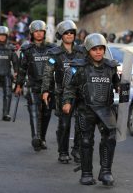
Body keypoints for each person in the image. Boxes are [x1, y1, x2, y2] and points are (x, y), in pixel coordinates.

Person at [62, 33, 120, 186]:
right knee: (86, 141)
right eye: (94, 49)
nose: (98, 52)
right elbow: (69, 87)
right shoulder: (78, 67)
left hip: (106, 110)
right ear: (88, 50)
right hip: (85, 109)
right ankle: (86, 173)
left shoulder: (111, 67)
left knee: (110, 139)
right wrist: (67, 102)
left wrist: (123, 88)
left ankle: (106, 172)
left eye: (101, 48)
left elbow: (117, 85)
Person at [42, 20, 85, 163]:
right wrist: (46, 91)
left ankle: (77, 150)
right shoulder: (54, 53)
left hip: (80, 92)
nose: (69, 35)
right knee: (64, 123)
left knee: (81, 123)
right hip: (61, 92)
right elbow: (48, 73)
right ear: (61, 35)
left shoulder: (82, 51)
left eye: (72, 33)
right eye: (66, 33)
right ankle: (63, 151)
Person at [15, 20, 56, 151]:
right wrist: (19, 85)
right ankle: (36, 137)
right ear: (32, 33)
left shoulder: (52, 49)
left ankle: (42, 138)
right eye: (36, 31)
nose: (39, 34)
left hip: (49, 87)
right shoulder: (27, 50)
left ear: (44, 33)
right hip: (33, 85)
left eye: (41, 31)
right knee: (34, 111)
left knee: (46, 113)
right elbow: (22, 69)